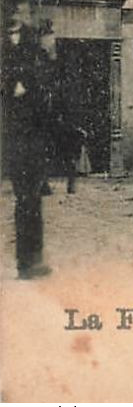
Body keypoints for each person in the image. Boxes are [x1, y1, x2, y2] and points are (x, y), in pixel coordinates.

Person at [5, 24, 54, 279]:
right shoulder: (10, 49)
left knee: (31, 200)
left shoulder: (30, 48)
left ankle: (31, 260)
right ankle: (27, 262)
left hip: (31, 139)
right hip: (15, 139)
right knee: (27, 199)